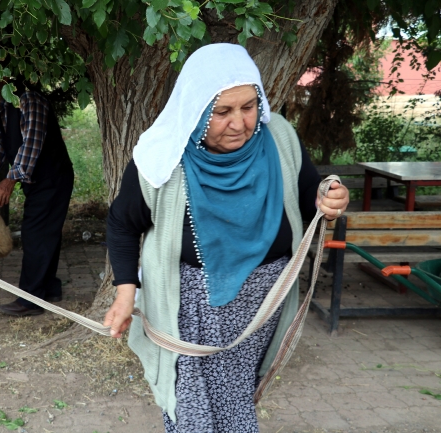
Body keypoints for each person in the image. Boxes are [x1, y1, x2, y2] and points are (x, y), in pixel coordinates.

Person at [103, 43, 349, 432]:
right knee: (193, 409)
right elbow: (121, 223)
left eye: (249, 107)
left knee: (231, 398)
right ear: (197, 109)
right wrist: (125, 292)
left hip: (261, 308)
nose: (240, 123)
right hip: (190, 311)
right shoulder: (162, 155)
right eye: (222, 112)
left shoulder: (279, 138)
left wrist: (329, 196)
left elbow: (309, 196)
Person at [0, 79, 74, 317]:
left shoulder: (29, 100)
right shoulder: (4, 108)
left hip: (53, 178)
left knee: (35, 234)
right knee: (45, 234)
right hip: (39, 181)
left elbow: (32, 145)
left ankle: (31, 298)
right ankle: (49, 288)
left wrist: (10, 180)